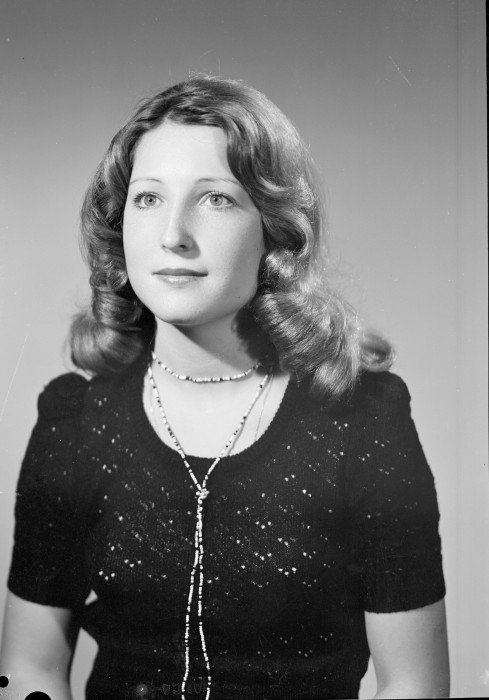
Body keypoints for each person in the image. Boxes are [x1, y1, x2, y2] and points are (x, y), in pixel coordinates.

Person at [0, 75, 449, 700]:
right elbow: (30, 670)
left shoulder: (364, 418)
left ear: (275, 228)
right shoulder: (74, 420)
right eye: (148, 198)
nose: (172, 235)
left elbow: (414, 684)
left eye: (215, 198)